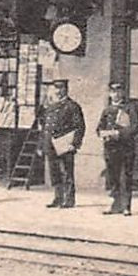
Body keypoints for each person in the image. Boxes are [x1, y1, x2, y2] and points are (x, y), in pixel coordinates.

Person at [97, 82, 138, 216]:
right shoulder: (107, 110)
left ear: (123, 93)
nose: (115, 94)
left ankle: (126, 206)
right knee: (113, 178)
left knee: (125, 178)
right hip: (111, 149)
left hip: (125, 149)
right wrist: (102, 134)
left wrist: (119, 134)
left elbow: (136, 127)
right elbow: (100, 127)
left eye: (118, 91)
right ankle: (115, 205)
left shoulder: (130, 108)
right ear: (109, 94)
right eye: (112, 92)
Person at [42, 79, 86, 209]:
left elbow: (80, 126)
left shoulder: (72, 106)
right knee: (54, 171)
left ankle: (69, 199)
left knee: (67, 172)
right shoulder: (50, 106)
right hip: (51, 144)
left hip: (65, 144)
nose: (58, 91)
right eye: (56, 88)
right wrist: (43, 144)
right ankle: (58, 197)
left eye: (61, 88)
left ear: (66, 89)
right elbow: (45, 126)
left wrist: (75, 143)